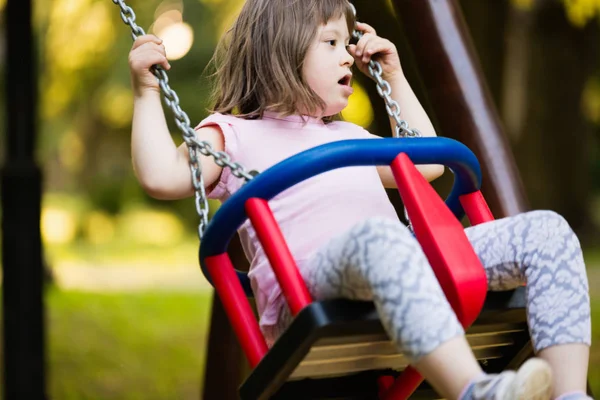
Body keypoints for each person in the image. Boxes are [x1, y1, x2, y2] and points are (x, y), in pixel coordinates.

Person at [127, 0, 591, 398]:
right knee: (379, 237)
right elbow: (162, 176)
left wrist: (395, 76)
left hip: (394, 265)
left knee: (546, 232)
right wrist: (147, 92)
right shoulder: (231, 134)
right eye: (331, 43)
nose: (348, 55)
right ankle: (474, 390)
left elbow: (426, 163)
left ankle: (569, 392)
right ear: (280, 51)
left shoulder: (349, 134)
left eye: (347, 42)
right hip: (309, 289)